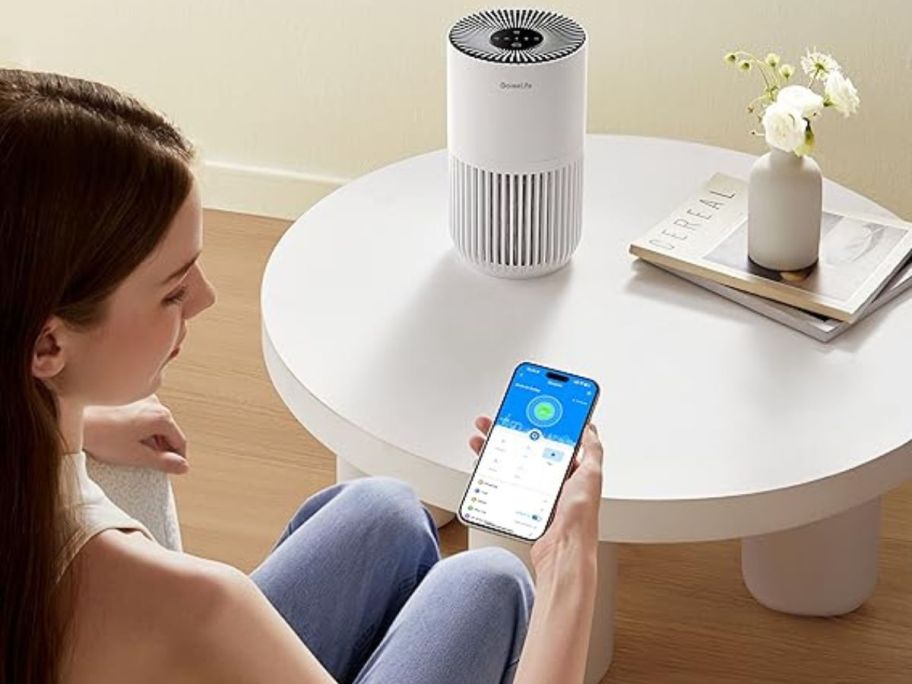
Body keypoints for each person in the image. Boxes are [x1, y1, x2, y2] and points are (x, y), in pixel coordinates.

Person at [0, 69, 605, 684]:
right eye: (173, 291)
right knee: (491, 581)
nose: (206, 299)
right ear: (47, 343)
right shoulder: (188, 606)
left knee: (385, 509)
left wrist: (79, 413)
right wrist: (567, 567)